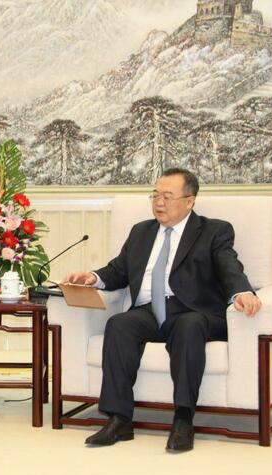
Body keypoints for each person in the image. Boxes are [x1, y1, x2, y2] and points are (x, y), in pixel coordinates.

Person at [62, 168, 261, 452]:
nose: (159, 203)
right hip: (149, 311)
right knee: (119, 324)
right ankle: (119, 419)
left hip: (192, 311)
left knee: (189, 327)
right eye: (155, 195)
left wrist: (242, 291)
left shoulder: (214, 231)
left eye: (167, 196)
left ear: (190, 201)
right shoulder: (141, 232)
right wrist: (93, 277)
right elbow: (119, 270)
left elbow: (230, 266)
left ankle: (183, 419)